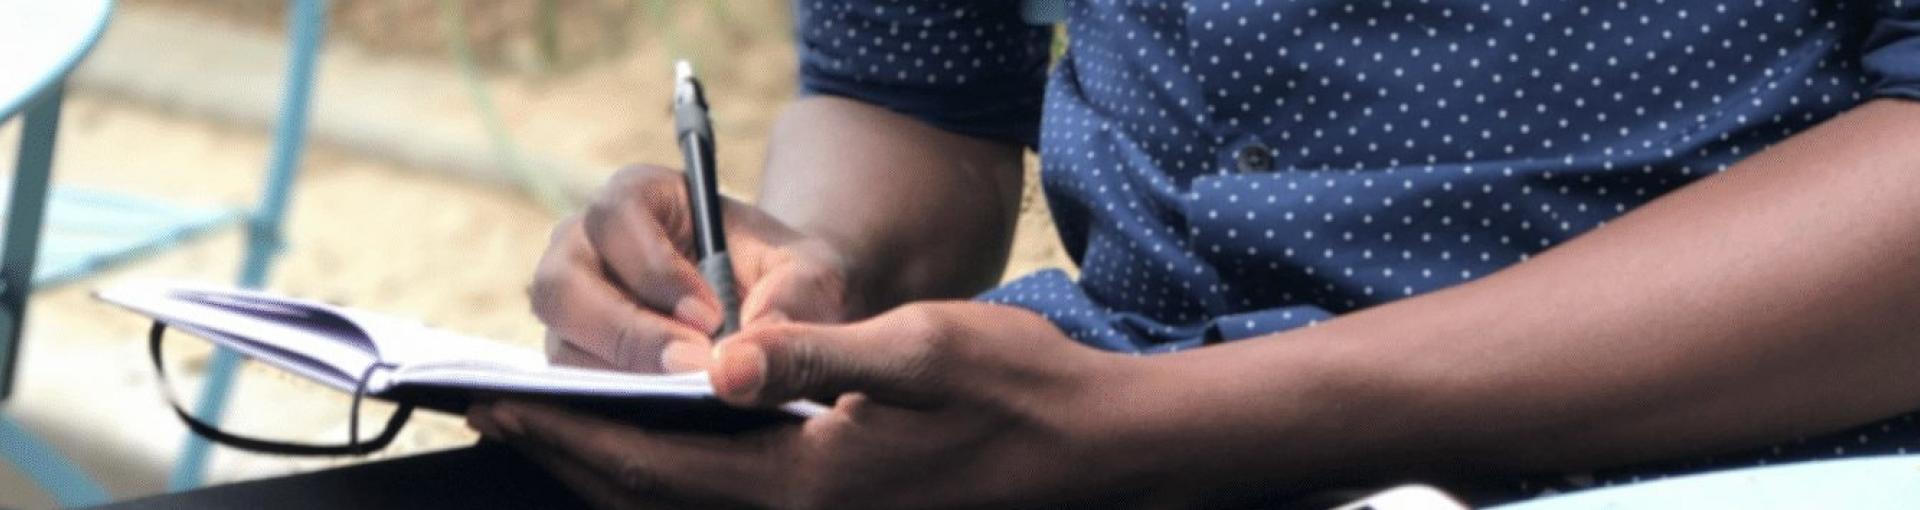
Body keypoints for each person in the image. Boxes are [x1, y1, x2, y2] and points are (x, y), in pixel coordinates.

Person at [101, 1, 1920, 508]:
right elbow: (918, 106)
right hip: (1077, 410)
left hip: (1707, 452)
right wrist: (785, 274)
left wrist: (1177, 430)